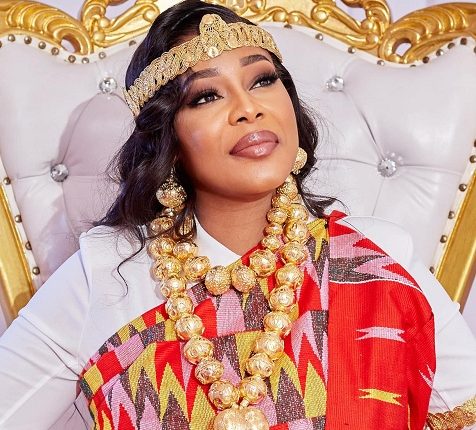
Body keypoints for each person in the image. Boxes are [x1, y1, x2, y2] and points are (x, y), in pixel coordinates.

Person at [0, 0, 475, 429]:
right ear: (169, 140)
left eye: (262, 81)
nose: (248, 109)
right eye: (206, 96)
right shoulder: (106, 276)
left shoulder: (377, 259)